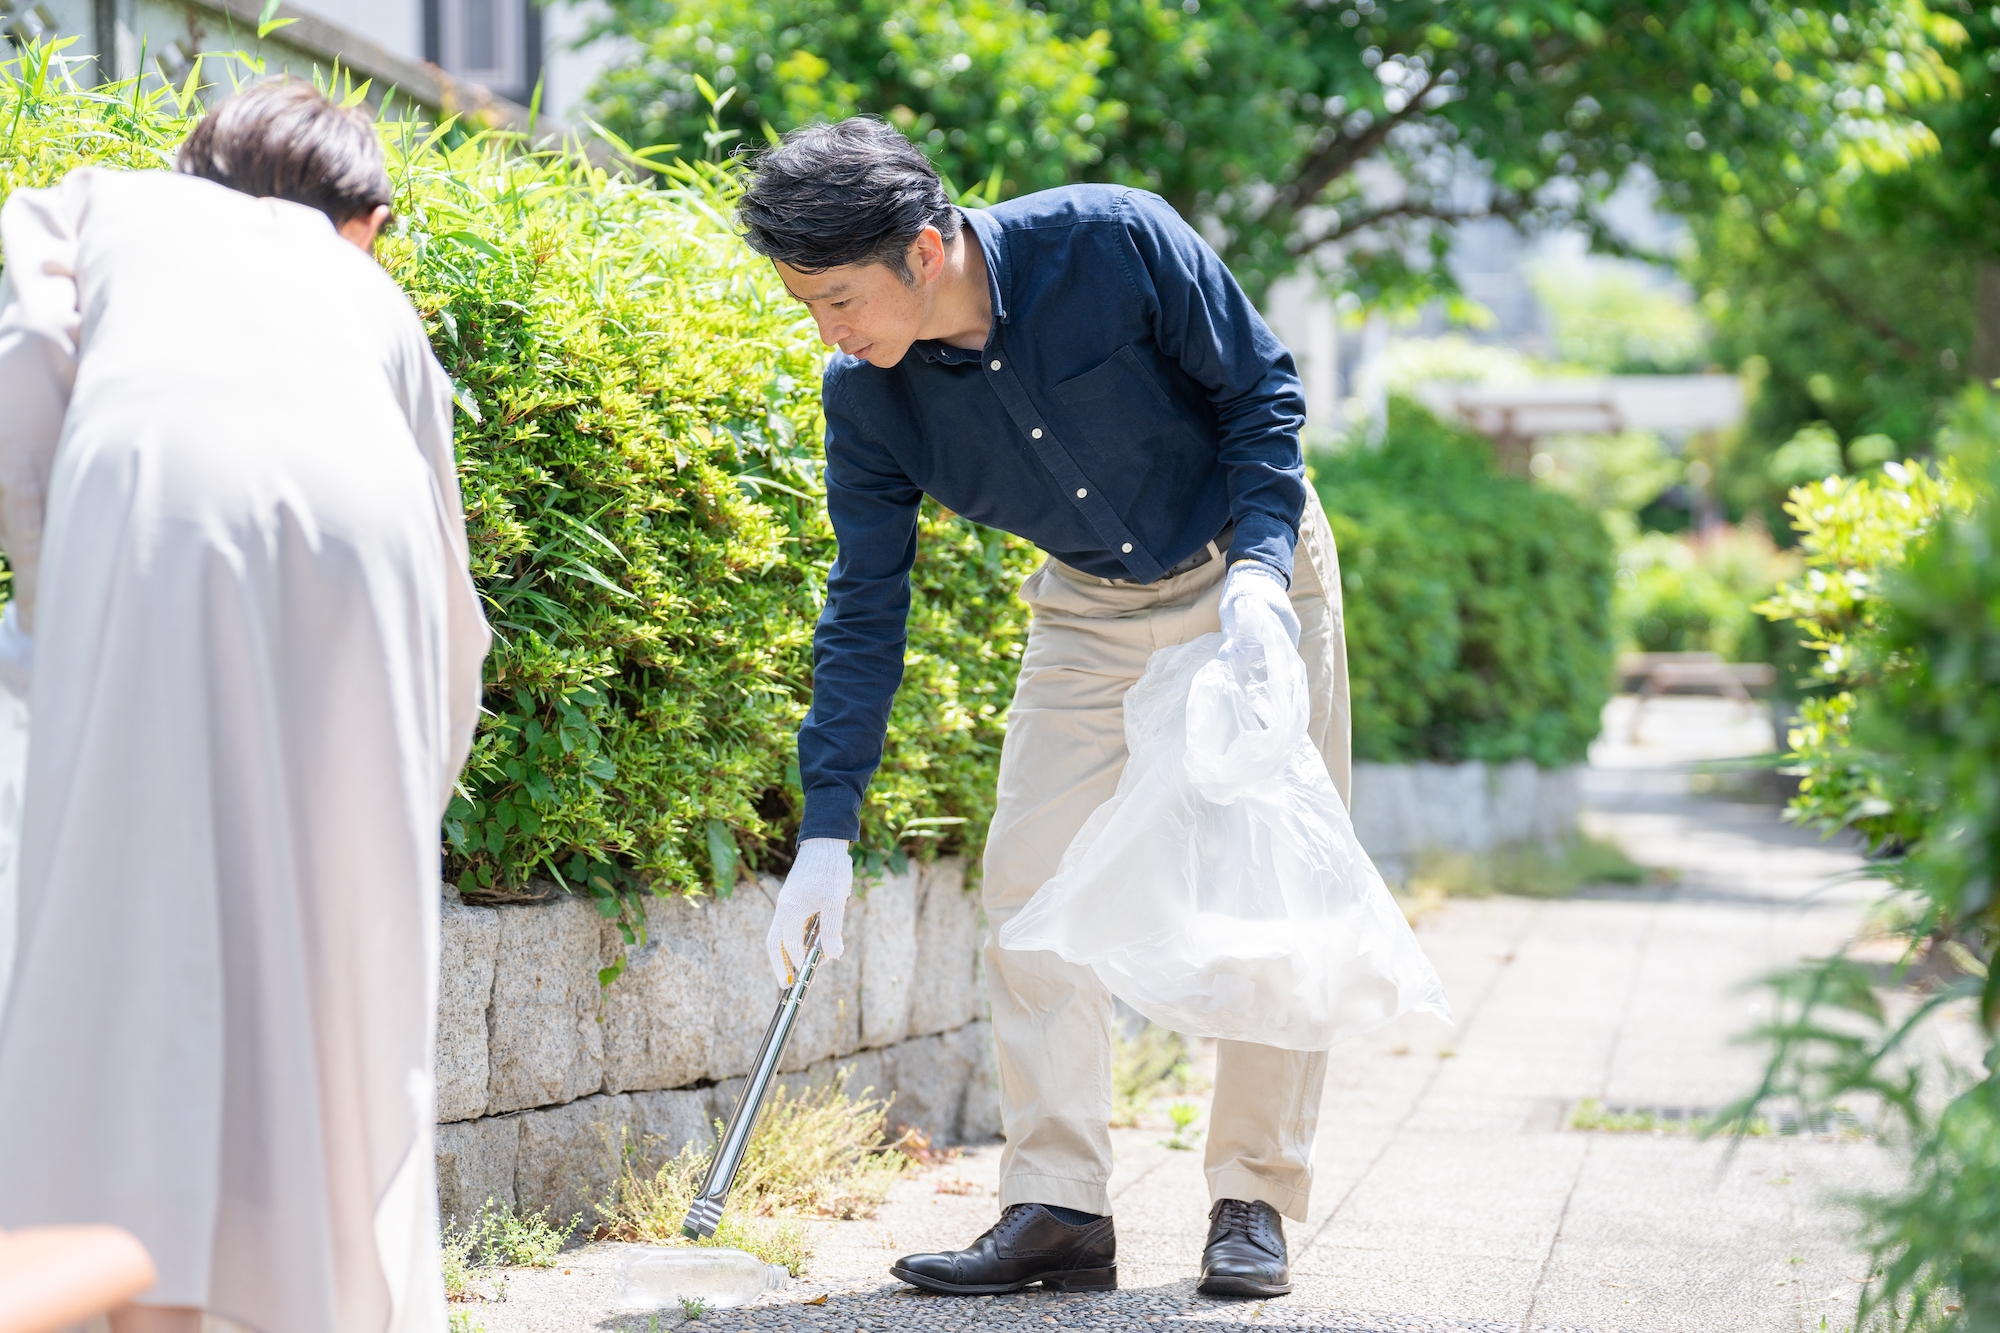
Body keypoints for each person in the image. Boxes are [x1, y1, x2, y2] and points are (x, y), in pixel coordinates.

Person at [750, 118, 1350, 1299]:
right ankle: (1059, 1204)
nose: (827, 332)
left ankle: (1252, 1199)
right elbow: (864, 606)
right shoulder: (868, 403)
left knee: (1271, 883)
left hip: (1249, 568)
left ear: (924, 252)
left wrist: (1261, 580)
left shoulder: (1113, 241)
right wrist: (825, 827)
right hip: (1085, 604)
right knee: (1027, 882)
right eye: (806, 306)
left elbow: (1261, 393)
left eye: (836, 300)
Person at [0, 81, 489, 1333]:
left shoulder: (103, 205)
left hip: (154, 494)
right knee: (334, 978)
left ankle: (130, 1292)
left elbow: (20, 394)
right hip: (364, 541)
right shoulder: (371, 297)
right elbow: (452, 602)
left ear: (194, 164)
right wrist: (393, 806)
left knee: (121, 935)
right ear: (366, 218)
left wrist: (61, 623)